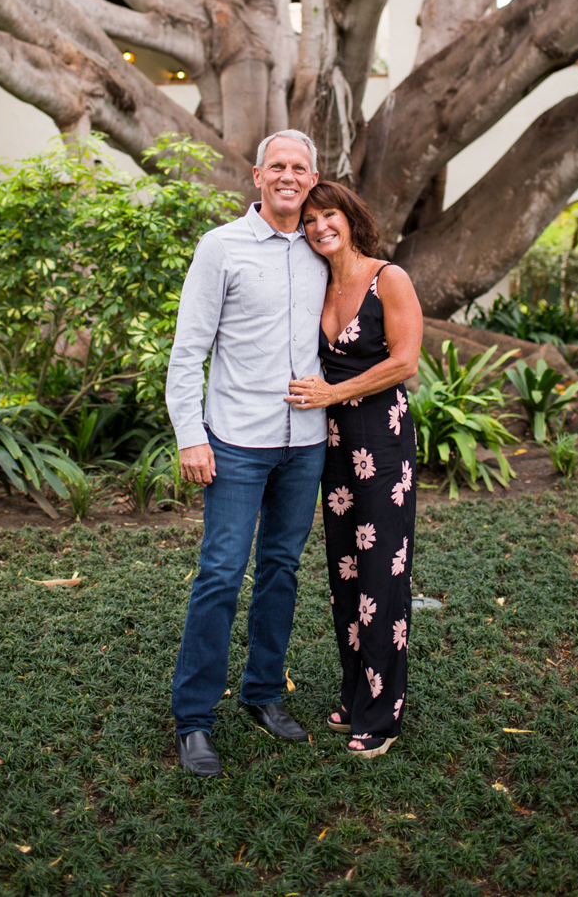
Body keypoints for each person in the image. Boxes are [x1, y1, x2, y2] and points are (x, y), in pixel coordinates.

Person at [166, 129, 329, 778]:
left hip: (306, 445)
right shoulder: (221, 247)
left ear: (313, 180)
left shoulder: (326, 249)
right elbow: (188, 349)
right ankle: (195, 719)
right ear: (258, 176)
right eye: (278, 165)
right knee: (221, 574)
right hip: (235, 441)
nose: (289, 175)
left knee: (282, 571)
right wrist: (190, 433)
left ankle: (263, 694)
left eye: (301, 167)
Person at [287, 181, 423, 759]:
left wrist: (333, 391)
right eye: (310, 220)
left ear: (350, 216)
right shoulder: (318, 281)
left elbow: (404, 361)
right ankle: (354, 691)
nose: (320, 226)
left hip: (383, 444)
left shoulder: (386, 277)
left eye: (329, 215)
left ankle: (383, 714)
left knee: (382, 577)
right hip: (334, 446)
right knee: (345, 574)